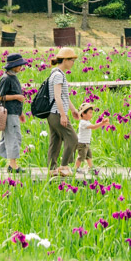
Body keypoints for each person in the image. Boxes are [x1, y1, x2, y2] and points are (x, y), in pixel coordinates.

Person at [47, 47, 79, 176]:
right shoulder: (58, 75)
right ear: (65, 60)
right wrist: (63, 115)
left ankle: (52, 168)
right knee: (72, 138)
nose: (73, 63)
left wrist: (73, 110)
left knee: (55, 140)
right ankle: (64, 166)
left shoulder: (56, 73)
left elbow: (64, 96)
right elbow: (57, 96)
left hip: (53, 113)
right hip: (56, 113)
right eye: (72, 60)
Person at [74, 102, 109, 175]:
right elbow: (94, 127)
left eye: (92, 113)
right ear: (83, 114)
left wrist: (102, 123)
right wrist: (101, 123)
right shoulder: (83, 122)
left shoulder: (87, 121)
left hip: (86, 142)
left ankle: (91, 168)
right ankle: (76, 168)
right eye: (90, 113)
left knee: (88, 156)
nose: (91, 115)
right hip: (82, 143)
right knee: (81, 156)